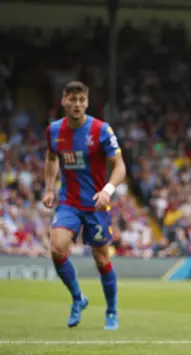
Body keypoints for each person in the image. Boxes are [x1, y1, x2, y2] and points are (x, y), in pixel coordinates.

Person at [43, 81, 126, 330]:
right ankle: (78, 298)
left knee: (101, 259)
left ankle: (111, 312)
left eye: (82, 100)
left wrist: (107, 190)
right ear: (64, 101)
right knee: (57, 249)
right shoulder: (54, 131)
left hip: (96, 205)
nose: (77, 104)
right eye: (72, 99)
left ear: (87, 102)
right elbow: (50, 158)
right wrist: (49, 188)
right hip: (69, 202)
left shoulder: (101, 129)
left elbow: (120, 166)